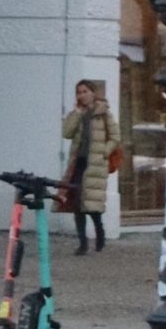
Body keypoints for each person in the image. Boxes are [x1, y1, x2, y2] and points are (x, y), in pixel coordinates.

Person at [59, 79, 117, 254]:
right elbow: (66, 133)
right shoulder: (76, 113)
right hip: (78, 163)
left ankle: (100, 234)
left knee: (92, 204)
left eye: (85, 91)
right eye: (79, 92)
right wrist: (76, 114)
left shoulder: (104, 113)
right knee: (77, 203)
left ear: (93, 92)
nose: (82, 95)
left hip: (95, 163)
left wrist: (103, 153)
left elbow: (115, 137)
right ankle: (82, 243)